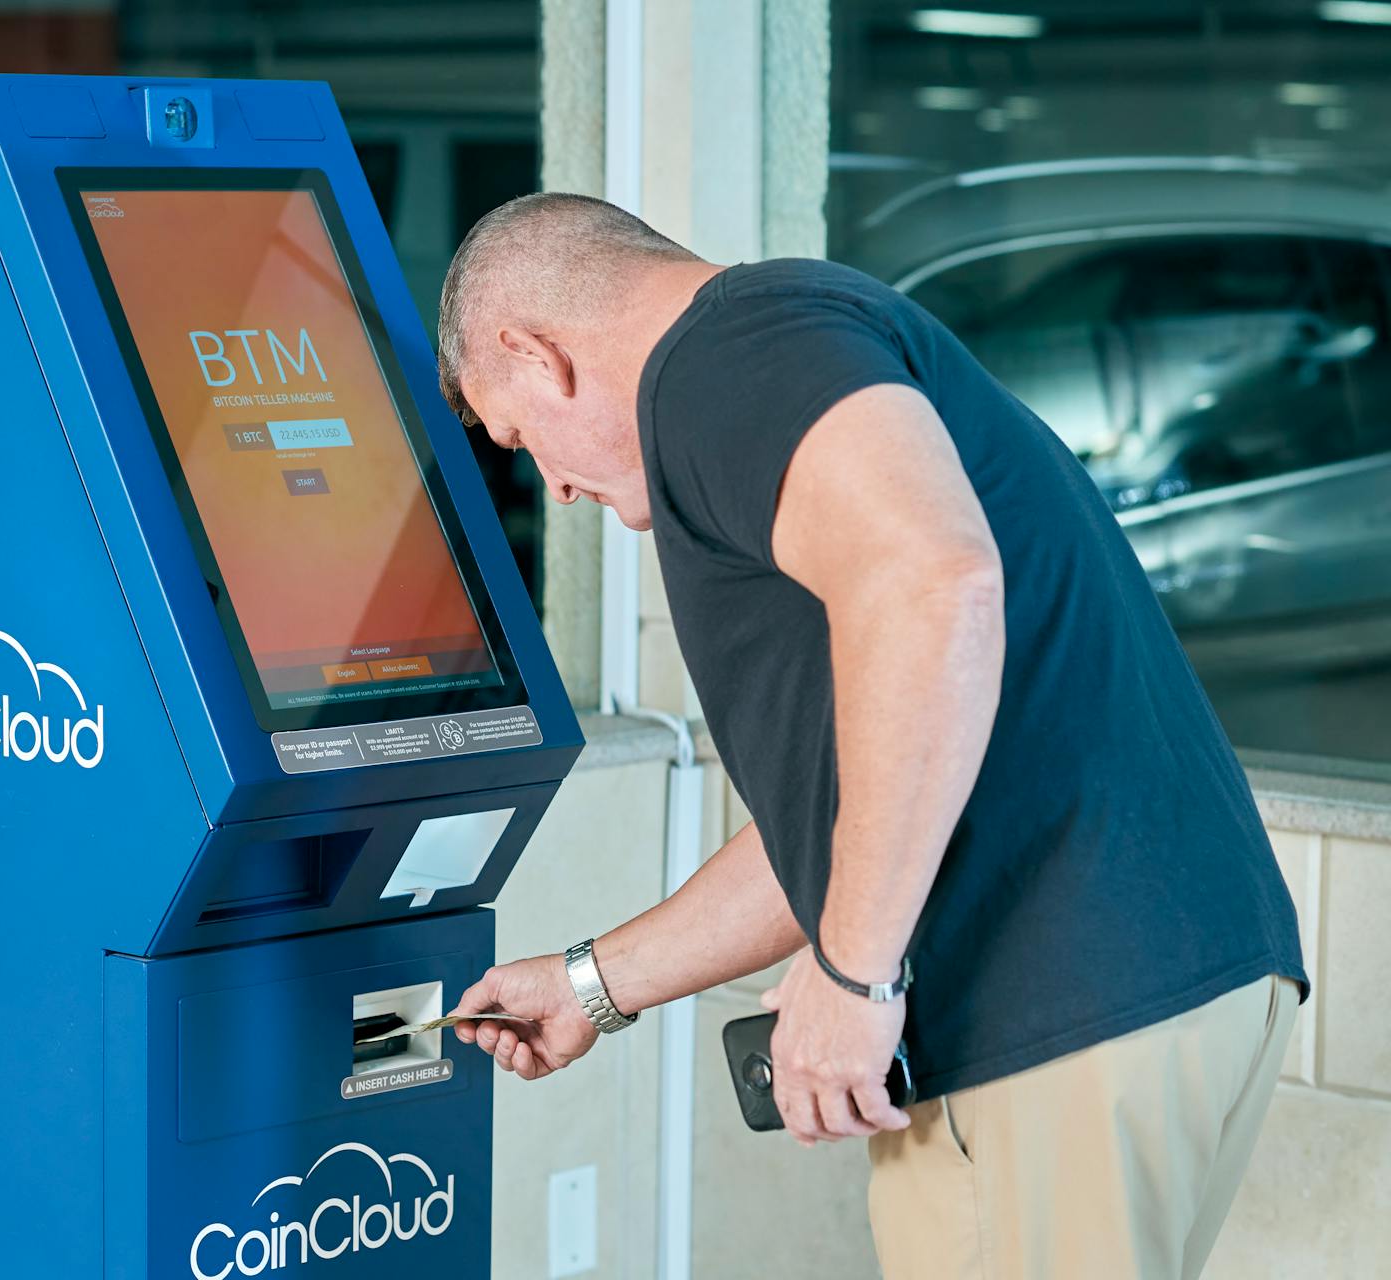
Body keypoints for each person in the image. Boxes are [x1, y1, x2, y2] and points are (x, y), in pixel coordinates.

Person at [439, 193, 1307, 1280]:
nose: (554, 486)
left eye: (520, 439)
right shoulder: (798, 336)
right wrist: (590, 985)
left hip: (1052, 1006)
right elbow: (857, 809)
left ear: (534, 351)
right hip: (1167, 979)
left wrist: (851, 974)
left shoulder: (729, 353)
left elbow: (937, 586)